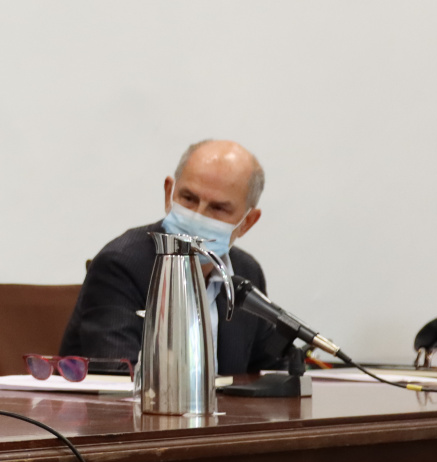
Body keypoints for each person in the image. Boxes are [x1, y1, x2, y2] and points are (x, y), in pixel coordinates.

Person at [58, 139, 288, 375]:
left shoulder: (246, 273)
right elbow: (118, 374)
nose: (197, 217)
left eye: (218, 208)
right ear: (169, 193)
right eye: (188, 199)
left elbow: (268, 374)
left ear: (247, 222)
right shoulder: (121, 265)